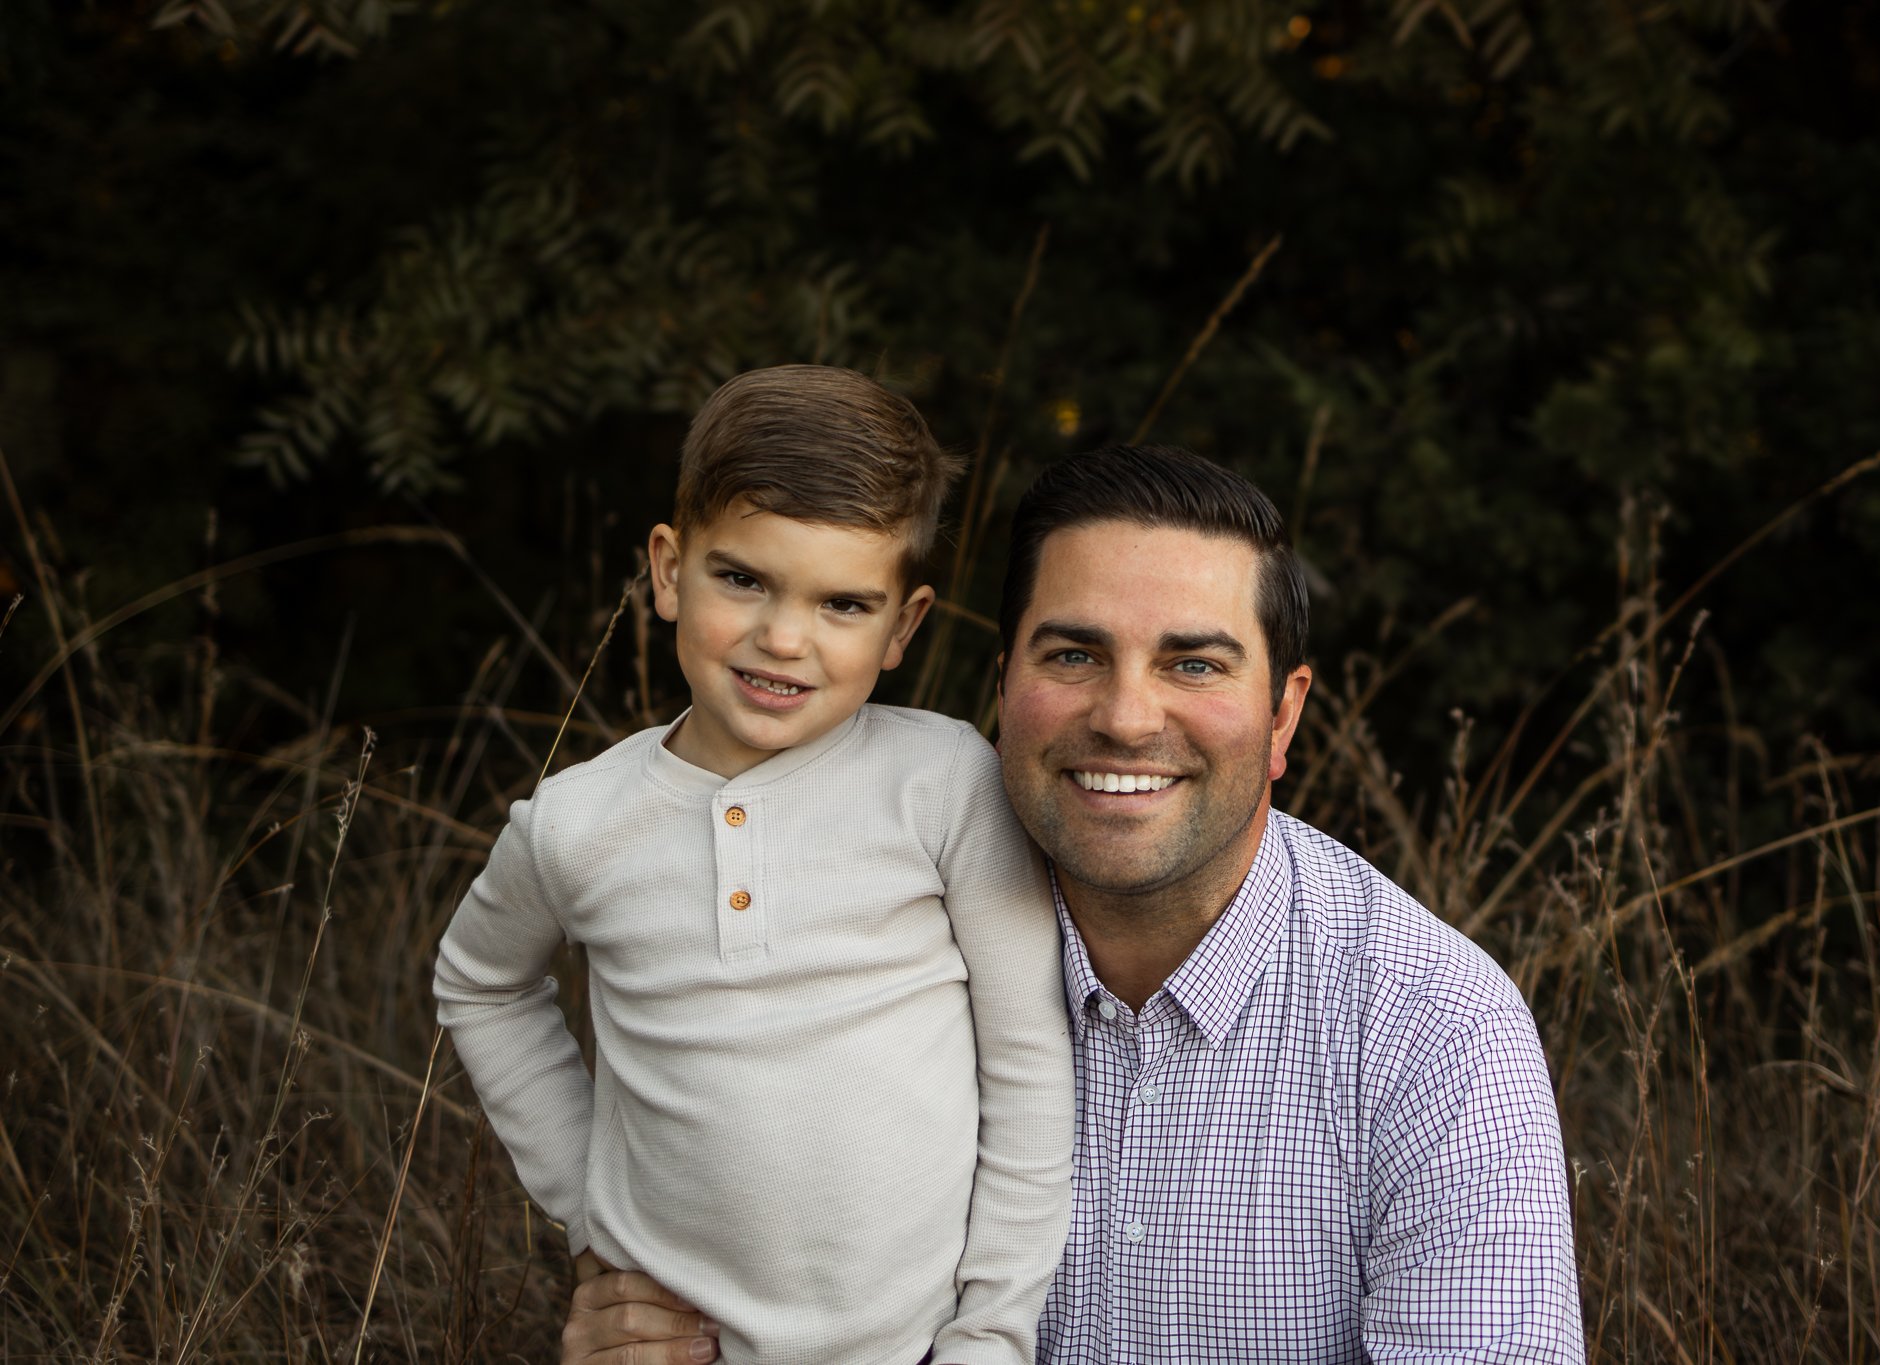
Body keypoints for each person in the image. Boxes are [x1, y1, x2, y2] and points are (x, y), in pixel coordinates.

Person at [561, 444, 1586, 1363]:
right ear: (1002, 687)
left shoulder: (1434, 1032)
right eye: (1073, 655)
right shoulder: (858, 947)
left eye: (1194, 663)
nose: (1126, 717)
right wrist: (638, 1309)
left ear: (1283, 715)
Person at [435, 365, 1074, 1365]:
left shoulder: (945, 782)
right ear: (668, 569)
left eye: (843, 604)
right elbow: (480, 984)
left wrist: (989, 1336)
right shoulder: (577, 823)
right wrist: (591, 1215)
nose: (783, 638)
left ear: (903, 626)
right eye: (742, 579)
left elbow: (1029, 1070)